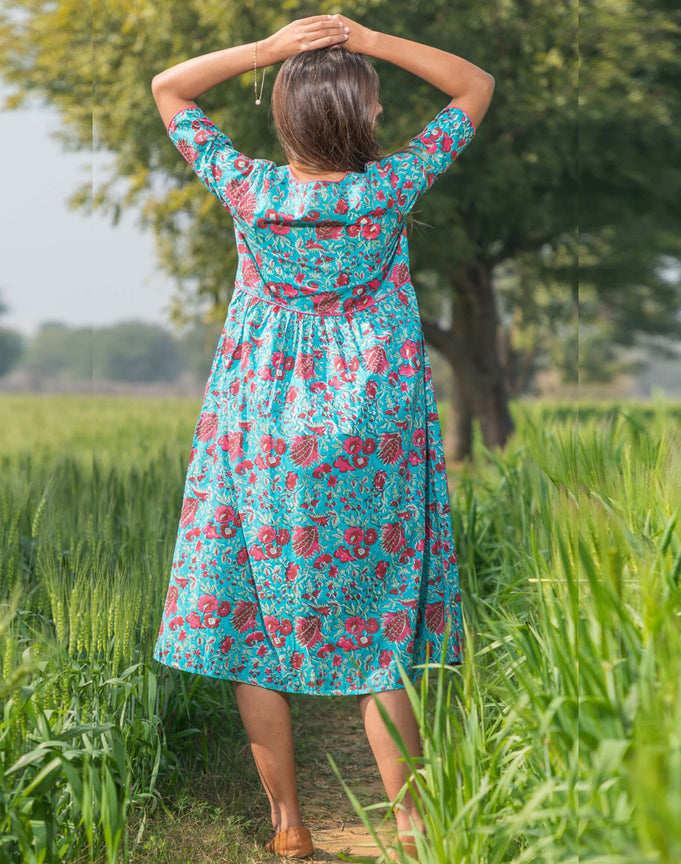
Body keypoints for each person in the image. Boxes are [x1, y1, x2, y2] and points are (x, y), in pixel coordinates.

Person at [151, 13, 494, 861]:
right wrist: (367, 42)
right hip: (372, 430)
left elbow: (170, 87)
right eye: (373, 106)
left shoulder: (249, 189)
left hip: (263, 428)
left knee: (257, 632)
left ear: (286, 120)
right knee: (381, 639)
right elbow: (474, 86)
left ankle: (290, 826)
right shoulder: (390, 189)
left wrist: (272, 51)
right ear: (363, 117)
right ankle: (410, 828)